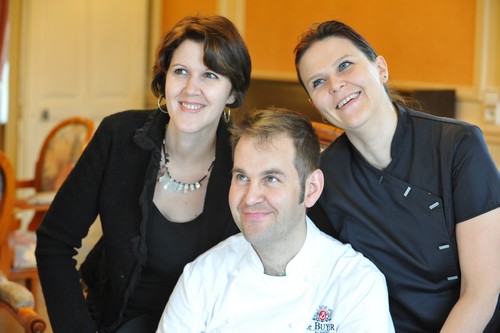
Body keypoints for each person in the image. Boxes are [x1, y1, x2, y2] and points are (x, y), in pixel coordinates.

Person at [35, 15, 251, 333]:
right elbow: (54, 241)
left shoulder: (247, 160)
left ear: (232, 93)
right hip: (116, 321)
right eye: (180, 72)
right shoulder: (118, 136)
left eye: (210, 75)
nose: (192, 89)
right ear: (164, 80)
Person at [294, 20, 500, 333]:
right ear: (315, 105)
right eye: (318, 82)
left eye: (345, 66)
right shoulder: (324, 181)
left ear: (381, 69)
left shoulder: (457, 145)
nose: (335, 85)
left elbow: (482, 290)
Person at [156, 108, 395, 333]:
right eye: (241, 177)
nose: (250, 197)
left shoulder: (356, 283)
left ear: (311, 189)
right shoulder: (202, 277)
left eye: (271, 179)